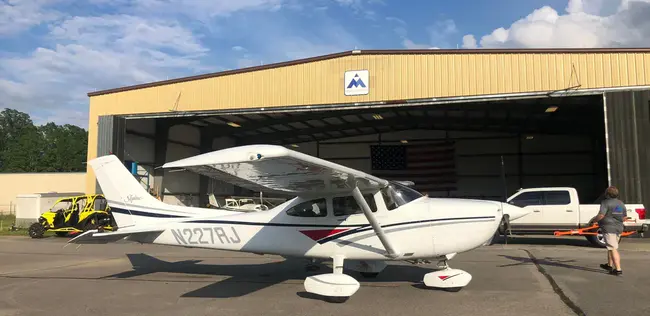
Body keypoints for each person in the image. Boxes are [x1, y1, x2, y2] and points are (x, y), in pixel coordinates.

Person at [596, 186, 628, 276]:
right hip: (618, 228)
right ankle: (609, 265)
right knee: (611, 247)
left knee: (613, 248)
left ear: (607, 194)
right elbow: (624, 217)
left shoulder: (605, 202)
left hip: (608, 228)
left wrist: (593, 220)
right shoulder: (621, 203)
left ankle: (618, 269)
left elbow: (601, 215)